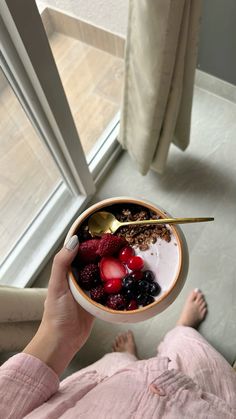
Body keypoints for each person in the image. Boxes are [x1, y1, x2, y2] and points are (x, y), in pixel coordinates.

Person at [0, 235, 235, 419]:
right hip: (198, 406)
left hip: (100, 391)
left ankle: (125, 357)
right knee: (195, 354)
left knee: (115, 364)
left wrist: (60, 337)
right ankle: (182, 332)